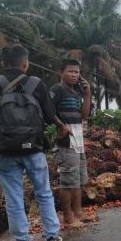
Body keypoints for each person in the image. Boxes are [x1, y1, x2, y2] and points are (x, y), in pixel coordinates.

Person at [0, 43, 67, 241]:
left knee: (14, 197)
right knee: (44, 193)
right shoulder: (36, 84)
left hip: (5, 151)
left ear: (3, 63)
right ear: (25, 63)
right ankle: (52, 236)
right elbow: (48, 116)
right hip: (34, 148)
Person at [49, 59, 91, 228]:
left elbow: (84, 115)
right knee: (68, 181)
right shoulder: (57, 90)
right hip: (66, 141)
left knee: (79, 179)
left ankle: (78, 212)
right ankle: (68, 217)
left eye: (77, 72)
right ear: (62, 73)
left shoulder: (75, 92)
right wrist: (60, 125)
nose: (75, 75)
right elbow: (47, 110)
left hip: (78, 138)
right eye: (71, 71)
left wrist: (87, 94)